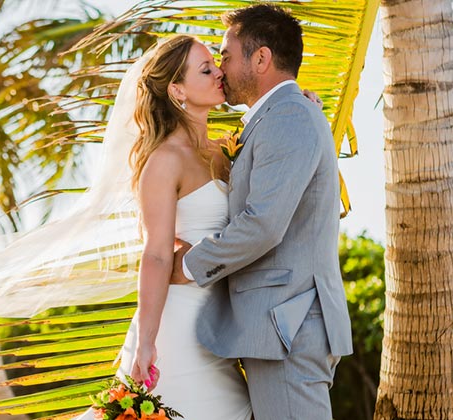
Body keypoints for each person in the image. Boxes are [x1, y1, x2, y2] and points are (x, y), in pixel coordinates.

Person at [170, 4, 353, 420]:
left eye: (226, 56)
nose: (221, 68)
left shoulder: (288, 115)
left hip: (288, 326)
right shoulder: (279, 116)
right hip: (278, 324)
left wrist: (188, 265)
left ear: (261, 58)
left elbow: (263, 225)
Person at [74, 34, 253, 420]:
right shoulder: (163, 160)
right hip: (179, 325)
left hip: (221, 318)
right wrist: (146, 344)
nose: (219, 72)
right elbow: (156, 253)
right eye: (205, 69)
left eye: (215, 64)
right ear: (177, 90)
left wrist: (299, 105)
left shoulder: (225, 150)